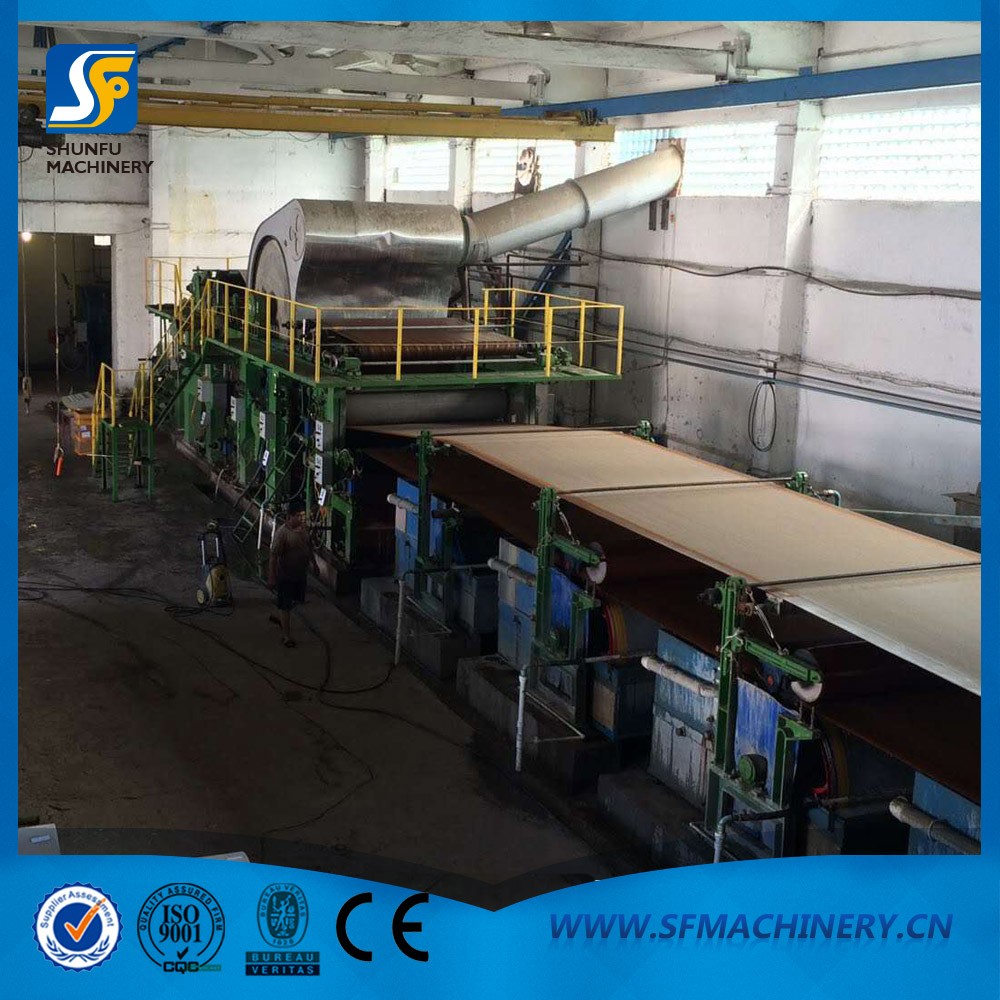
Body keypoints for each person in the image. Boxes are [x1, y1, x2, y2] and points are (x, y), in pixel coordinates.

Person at [267, 499, 314, 648]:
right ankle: (286, 636)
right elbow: (273, 556)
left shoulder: (304, 529)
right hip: (285, 575)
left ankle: (282, 617)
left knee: (295, 601)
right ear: (289, 516)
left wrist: (314, 564)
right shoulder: (282, 534)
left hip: (300, 574)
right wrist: (271, 577)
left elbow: (309, 546)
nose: (301, 519)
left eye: (303, 516)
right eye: (298, 516)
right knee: (286, 605)